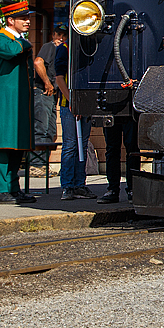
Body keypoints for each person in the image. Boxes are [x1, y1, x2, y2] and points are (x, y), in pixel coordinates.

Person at [0, 1, 38, 204]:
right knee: (3, 144)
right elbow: (12, 51)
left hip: (20, 99)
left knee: (17, 145)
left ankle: (13, 188)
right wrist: (24, 44)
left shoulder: (18, 39)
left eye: (28, 18)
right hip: (7, 98)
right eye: (23, 18)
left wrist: (24, 44)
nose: (27, 21)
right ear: (10, 20)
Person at [54, 29, 92, 200]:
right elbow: (59, 78)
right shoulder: (65, 48)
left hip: (87, 103)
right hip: (69, 104)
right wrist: (72, 102)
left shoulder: (90, 47)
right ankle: (68, 185)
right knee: (70, 145)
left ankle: (80, 184)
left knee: (82, 146)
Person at [29, 27, 63, 174]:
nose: (61, 38)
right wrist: (47, 83)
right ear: (53, 34)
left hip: (51, 95)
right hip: (42, 92)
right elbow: (37, 63)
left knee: (50, 131)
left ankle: (43, 165)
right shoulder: (49, 46)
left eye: (64, 35)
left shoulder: (62, 50)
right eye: (59, 34)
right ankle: (35, 166)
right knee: (41, 129)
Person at [98, 111, 139, 204]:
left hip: (129, 111)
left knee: (132, 149)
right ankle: (113, 189)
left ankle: (132, 188)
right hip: (110, 110)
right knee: (112, 149)